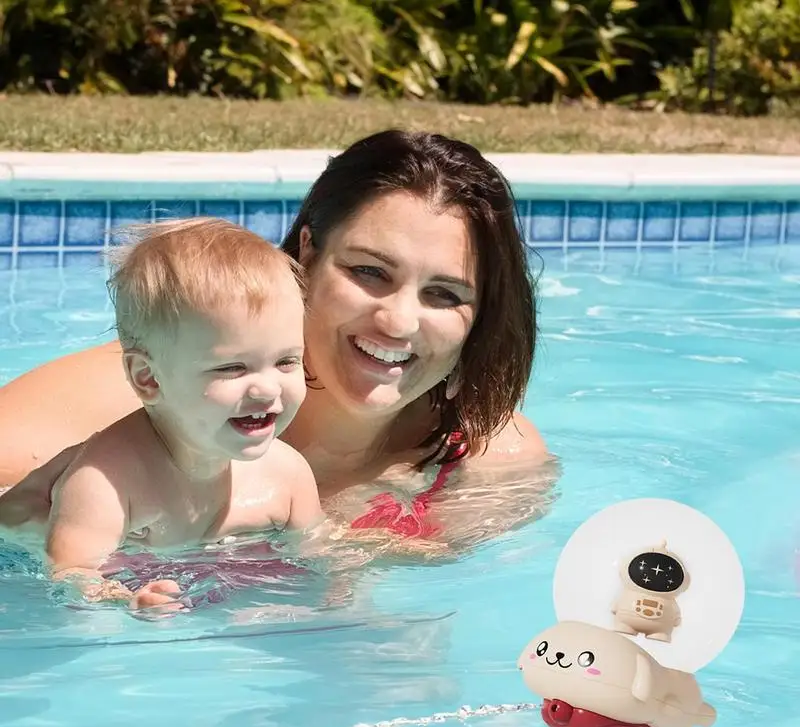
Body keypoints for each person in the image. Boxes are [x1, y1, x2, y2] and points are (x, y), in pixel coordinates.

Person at [0, 129, 554, 559]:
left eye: (444, 294)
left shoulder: (487, 461)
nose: (399, 321)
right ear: (307, 255)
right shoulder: (145, 399)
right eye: (369, 271)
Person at [25, 217, 323, 609]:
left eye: (286, 361)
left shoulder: (289, 475)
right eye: (231, 368)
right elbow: (70, 577)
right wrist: (123, 600)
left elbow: (324, 559)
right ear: (148, 378)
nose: (268, 388)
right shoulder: (106, 483)